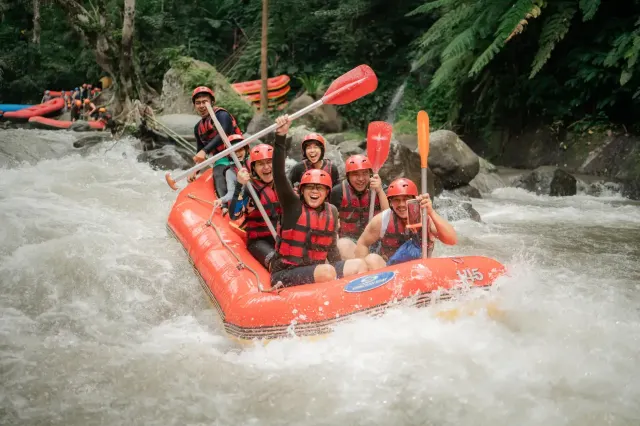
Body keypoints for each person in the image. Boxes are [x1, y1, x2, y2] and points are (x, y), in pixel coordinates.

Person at [270, 115, 369, 287]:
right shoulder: (293, 206)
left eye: (320, 188)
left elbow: (332, 252)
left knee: (359, 264)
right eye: (310, 187)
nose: (315, 191)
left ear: (327, 192)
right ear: (301, 190)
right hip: (286, 272)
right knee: (327, 271)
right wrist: (280, 136)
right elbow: (278, 175)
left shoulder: (332, 211)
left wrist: (341, 269)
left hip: (316, 270)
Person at [355, 178, 458, 269]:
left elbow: (452, 240)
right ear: (390, 202)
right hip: (390, 273)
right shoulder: (382, 220)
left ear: (415, 200)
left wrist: (432, 212)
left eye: (406, 199)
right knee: (372, 259)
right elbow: (362, 243)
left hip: (421, 269)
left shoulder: (427, 218)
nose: (401, 204)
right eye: (396, 200)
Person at [229, 143, 281, 269]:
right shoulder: (250, 189)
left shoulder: (283, 184)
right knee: (278, 264)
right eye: (260, 164)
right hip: (259, 241)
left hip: (281, 237)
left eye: (269, 162)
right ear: (254, 168)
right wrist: (239, 185)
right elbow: (235, 215)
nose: (266, 167)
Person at [330, 154, 389, 259]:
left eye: (365, 173)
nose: (361, 179)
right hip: (350, 242)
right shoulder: (338, 191)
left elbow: (388, 216)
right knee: (342, 245)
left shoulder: (379, 188)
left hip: (374, 242)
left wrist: (379, 191)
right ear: (348, 176)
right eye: (355, 174)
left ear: (370, 174)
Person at [188, 86, 243, 198]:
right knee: (218, 172)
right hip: (221, 160)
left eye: (205, 102)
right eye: (198, 103)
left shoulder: (221, 115)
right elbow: (200, 152)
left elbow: (224, 132)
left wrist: (205, 150)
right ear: (194, 105)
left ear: (212, 102)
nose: (202, 106)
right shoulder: (197, 127)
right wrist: (195, 170)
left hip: (238, 154)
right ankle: (224, 206)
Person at [214, 134, 249, 213]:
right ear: (229, 154)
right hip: (245, 199)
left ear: (246, 150)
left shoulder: (253, 164)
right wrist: (221, 200)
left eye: (240, 149)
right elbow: (231, 193)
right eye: (234, 151)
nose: (237, 153)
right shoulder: (230, 172)